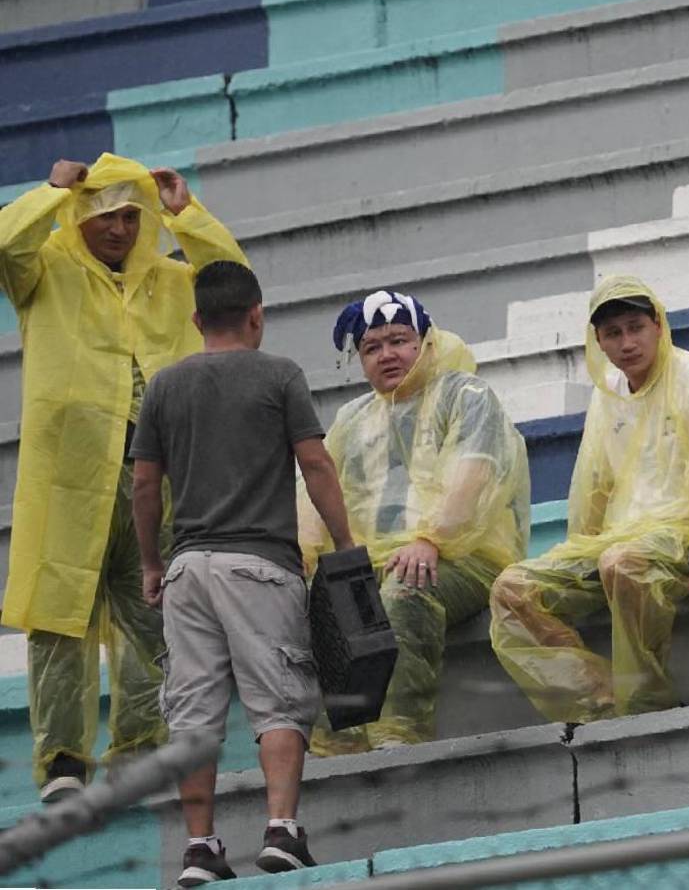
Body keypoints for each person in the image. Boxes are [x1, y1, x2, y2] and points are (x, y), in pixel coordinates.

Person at [0, 153, 246, 801]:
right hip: (69, 476)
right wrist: (51, 191)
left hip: (155, 477)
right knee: (60, 618)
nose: (119, 229)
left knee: (156, 613)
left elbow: (234, 285)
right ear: (78, 216)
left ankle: (140, 752)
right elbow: (6, 243)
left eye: (131, 217)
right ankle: (63, 762)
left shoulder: (170, 280)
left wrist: (186, 215)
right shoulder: (44, 270)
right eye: (105, 216)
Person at [132, 261, 354, 885]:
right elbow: (316, 464)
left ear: (196, 319)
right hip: (260, 565)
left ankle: (200, 848)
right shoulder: (279, 374)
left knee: (192, 714)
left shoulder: (164, 386)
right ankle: (281, 830)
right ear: (257, 315)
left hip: (187, 571)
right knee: (278, 700)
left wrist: (152, 562)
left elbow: (144, 484)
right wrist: (343, 543)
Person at [489, 275, 689, 722]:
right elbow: (594, 482)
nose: (627, 343)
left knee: (622, 563)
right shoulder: (608, 392)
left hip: (681, 536)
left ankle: (647, 703)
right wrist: (581, 546)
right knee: (513, 588)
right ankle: (602, 700)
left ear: (658, 325)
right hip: (620, 539)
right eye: (613, 333)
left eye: (636, 328)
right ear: (599, 342)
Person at [301, 289, 530, 755]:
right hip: (377, 561)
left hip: (464, 557)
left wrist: (432, 538)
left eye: (399, 341)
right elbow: (315, 492)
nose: (387, 355)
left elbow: (474, 474)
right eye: (372, 347)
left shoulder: (465, 395)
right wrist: (304, 556)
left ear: (425, 343)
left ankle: (398, 736)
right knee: (326, 599)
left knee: (405, 589)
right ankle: (337, 748)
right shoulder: (351, 419)